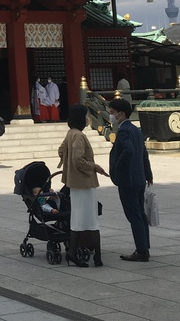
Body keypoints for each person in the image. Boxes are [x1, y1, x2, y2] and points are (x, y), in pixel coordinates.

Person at [58, 103, 108, 267]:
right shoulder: (79, 136)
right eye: (86, 116)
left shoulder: (70, 133)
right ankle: (98, 257)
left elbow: (61, 151)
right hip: (85, 182)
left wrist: (68, 166)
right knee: (91, 220)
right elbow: (78, 159)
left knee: (78, 220)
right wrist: (94, 167)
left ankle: (72, 252)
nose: (88, 119)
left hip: (74, 183)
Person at [108, 98, 152, 262]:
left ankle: (141, 250)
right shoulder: (136, 129)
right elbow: (143, 154)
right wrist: (148, 174)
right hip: (139, 178)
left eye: (112, 112)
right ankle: (144, 247)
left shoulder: (124, 131)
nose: (110, 115)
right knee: (140, 214)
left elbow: (129, 150)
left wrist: (118, 168)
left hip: (128, 179)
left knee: (134, 215)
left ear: (121, 114)